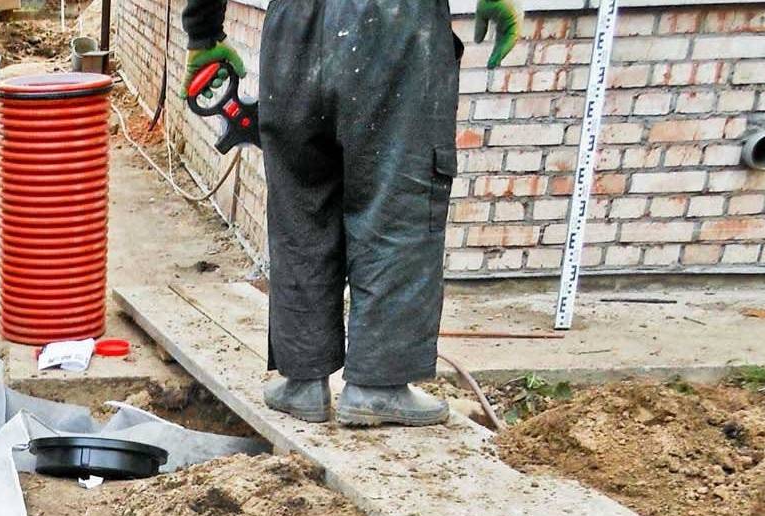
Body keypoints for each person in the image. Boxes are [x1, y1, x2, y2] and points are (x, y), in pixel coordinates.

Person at [183, 0, 521, 426]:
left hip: (294, 30)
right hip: (394, 28)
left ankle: (303, 382)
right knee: (396, 204)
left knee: (300, 204)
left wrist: (203, 36)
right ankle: (378, 387)